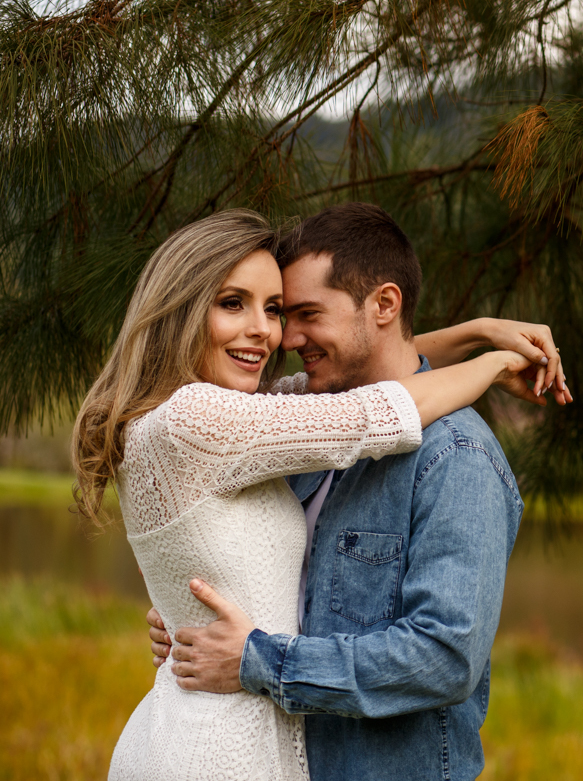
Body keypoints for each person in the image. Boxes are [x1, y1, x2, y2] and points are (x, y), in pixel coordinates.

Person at [75, 208, 555, 781]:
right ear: (182, 309)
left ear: (384, 306)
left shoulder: (454, 456)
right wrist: (495, 361)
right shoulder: (218, 419)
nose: (279, 335)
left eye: (288, 312)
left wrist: (251, 654)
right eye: (235, 304)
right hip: (223, 752)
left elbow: (446, 657)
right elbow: (375, 403)